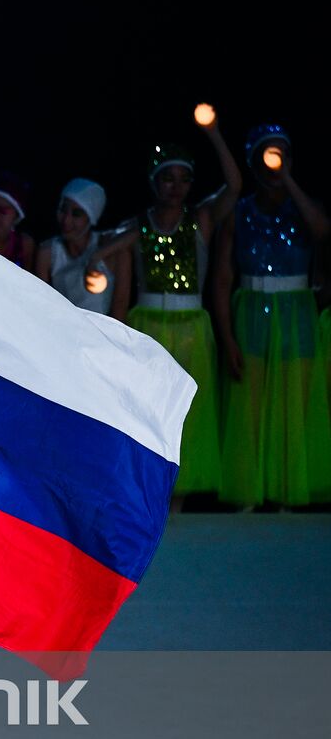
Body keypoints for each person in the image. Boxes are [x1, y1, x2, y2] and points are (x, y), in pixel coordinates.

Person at [98, 119, 241, 506]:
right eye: (168, 179)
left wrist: (214, 133)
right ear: (154, 182)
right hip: (149, 324)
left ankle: (179, 495)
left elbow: (235, 185)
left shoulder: (202, 221)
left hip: (192, 326)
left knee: (188, 414)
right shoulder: (138, 225)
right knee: (145, 409)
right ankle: (147, 492)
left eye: (183, 179)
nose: (176, 187)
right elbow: (104, 254)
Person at [211, 125, 331, 508]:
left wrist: (288, 181)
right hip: (252, 309)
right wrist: (227, 336)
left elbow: (322, 231)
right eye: (267, 154)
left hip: (296, 311)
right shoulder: (239, 213)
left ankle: (287, 490)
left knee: (293, 400)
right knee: (251, 399)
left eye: (282, 154)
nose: (273, 161)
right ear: (252, 160)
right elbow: (223, 276)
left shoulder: (306, 205)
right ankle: (249, 491)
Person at [35, 178, 127, 318]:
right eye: (63, 210)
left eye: (76, 214)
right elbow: (42, 306)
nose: (66, 220)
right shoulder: (48, 252)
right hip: (62, 330)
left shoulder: (110, 248)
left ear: (91, 217)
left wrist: (97, 256)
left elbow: (119, 307)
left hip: (101, 334)